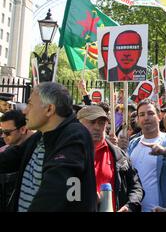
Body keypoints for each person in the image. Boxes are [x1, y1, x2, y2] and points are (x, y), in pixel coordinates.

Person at [0, 82, 97, 211]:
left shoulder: (74, 136)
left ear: (49, 109)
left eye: (30, 104)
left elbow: (56, 189)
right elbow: (8, 159)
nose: (24, 111)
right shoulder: (41, 135)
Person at [77, 105, 144, 212]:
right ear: (79, 125)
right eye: (92, 122)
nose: (97, 127)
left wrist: (129, 206)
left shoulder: (119, 155)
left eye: (101, 123)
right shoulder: (68, 154)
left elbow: (136, 187)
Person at [127, 99, 166, 212]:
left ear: (159, 116)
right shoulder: (133, 143)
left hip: (159, 209)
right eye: (141, 114)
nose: (146, 118)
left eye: (150, 113)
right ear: (138, 119)